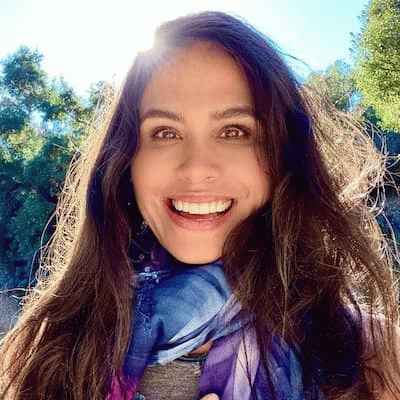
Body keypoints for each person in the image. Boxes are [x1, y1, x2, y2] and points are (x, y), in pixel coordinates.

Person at [1, 10, 400, 400]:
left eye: (233, 131)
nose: (196, 169)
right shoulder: (36, 355)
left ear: (282, 156)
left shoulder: (374, 359)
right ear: (126, 162)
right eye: (165, 132)